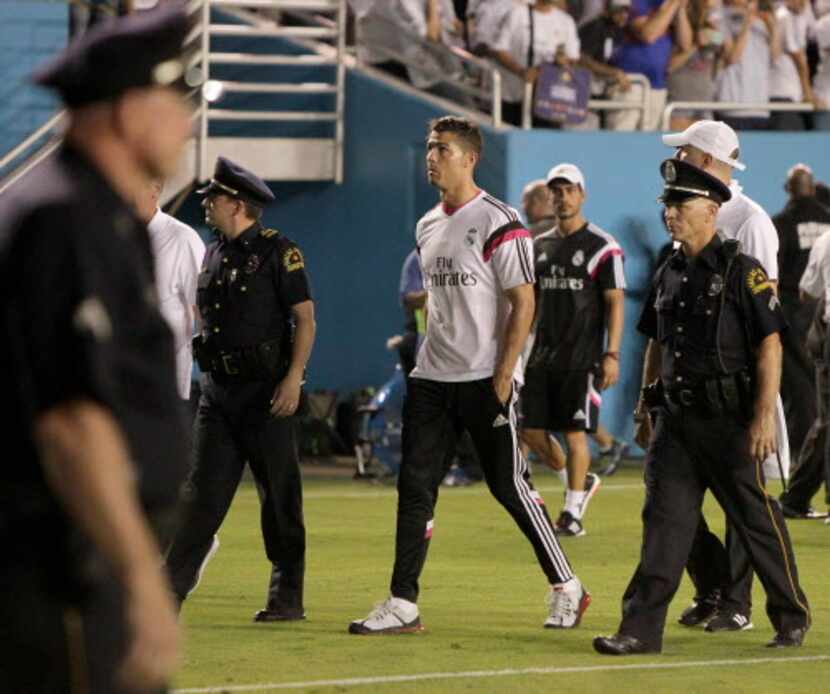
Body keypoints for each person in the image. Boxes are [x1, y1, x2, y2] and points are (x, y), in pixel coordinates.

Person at [0, 6, 193, 692]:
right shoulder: (63, 219)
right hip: (62, 570)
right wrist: (144, 581)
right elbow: (72, 422)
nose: (187, 121)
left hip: (86, 557)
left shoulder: (107, 217)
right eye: (177, 99)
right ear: (129, 108)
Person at [349, 116, 589, 634]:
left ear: (470, 158)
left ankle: (567, 586)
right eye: (429, 148)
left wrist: (505, 373)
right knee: (414, 487)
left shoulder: (501, 221)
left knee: (510, 488)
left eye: (441, 149)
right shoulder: (426, 225)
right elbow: (440, 299)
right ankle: (402, 601)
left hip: (487, 378)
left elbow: (524, 302)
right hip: (433, 377)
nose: (430, 157)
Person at [593, 158, 811, 656]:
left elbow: (770, 346)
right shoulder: (669, 271)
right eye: (667, 204)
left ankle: (790, 614)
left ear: (712, 210)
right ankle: (639, 631)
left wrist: (761, 418)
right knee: (664, 526)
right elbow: (655, 343)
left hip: (730, 422)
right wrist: (649, 403)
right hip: (677, 422)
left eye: (680, 204)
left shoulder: (742, 270)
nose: (670, 213)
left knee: (756, 522)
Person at [652, 120, 793, 634]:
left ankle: (739, 603)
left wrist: (760, 408)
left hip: (738, 388)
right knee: (671, 501)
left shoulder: (750, 220)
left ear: (708, 159)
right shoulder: (681, 210)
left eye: (686, 151)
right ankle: (714, 588)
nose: (679, 158)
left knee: (746, 506)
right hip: (689, 388)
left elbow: (764, 320)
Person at [165, 156, 316, 623]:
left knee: (278, 497)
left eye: (212, 198)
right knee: (201, 496)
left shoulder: (278, 251)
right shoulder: (212, 251)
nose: (205, 204)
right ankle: (167, 594)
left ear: (236, 203)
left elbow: (305, 319)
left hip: (265, 393)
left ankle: (286, 596)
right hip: (218, 392)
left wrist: (293, 378)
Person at [521, 163, 626, 537]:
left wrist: (611, 354)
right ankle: (578, 482)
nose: (562, 197)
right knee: (530, 433)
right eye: (556, 190)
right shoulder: (539, 246)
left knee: (575, 433)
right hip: (541, 356)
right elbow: (528, 305)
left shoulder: (603, 247)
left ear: (582, 195)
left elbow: (615, 302)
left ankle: (572, 511)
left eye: (568, 190)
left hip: (582, 357)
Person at [774, 164, 830, 465]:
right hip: (824, 311)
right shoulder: (829, 221)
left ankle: (799, 453)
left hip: (794, 308)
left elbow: (773, 268)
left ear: (788, 190)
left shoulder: (781, 222)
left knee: (798, 386)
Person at [778, 212, 830, 518]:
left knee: (826, 423)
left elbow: (806, 291)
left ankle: (796, 498)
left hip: (823, 330)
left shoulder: (825, 239)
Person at [605, 0, 693, 131]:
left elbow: (685, 44)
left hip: (657, 85)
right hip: (629, 84)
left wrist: (679, 9)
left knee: (650, 145)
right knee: (620, 142)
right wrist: (674, 3)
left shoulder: (665, 5)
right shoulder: (635, 3)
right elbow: (648, 34)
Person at [491, 0, 582, 126]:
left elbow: (573, 58)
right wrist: (521, 71)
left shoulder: (566, 21)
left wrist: (561, 61)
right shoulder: (517, 13)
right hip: (513, 96)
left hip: (548, 102)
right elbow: (499, 49)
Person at [666, 0, 730, 131]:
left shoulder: (712, 27)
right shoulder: (674, 27)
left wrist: (717, 28)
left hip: (704, 105)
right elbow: (671, 63)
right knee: (679, 150)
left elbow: (728, 53)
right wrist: (696, 45)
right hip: (680, 105)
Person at [716, 0, 780, 131]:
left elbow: (775, 57)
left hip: (760, 108)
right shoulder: (720, 18)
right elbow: (732, 57)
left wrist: (773, 28)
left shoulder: (762, 22)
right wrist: (747, 23)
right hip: (733, 107)